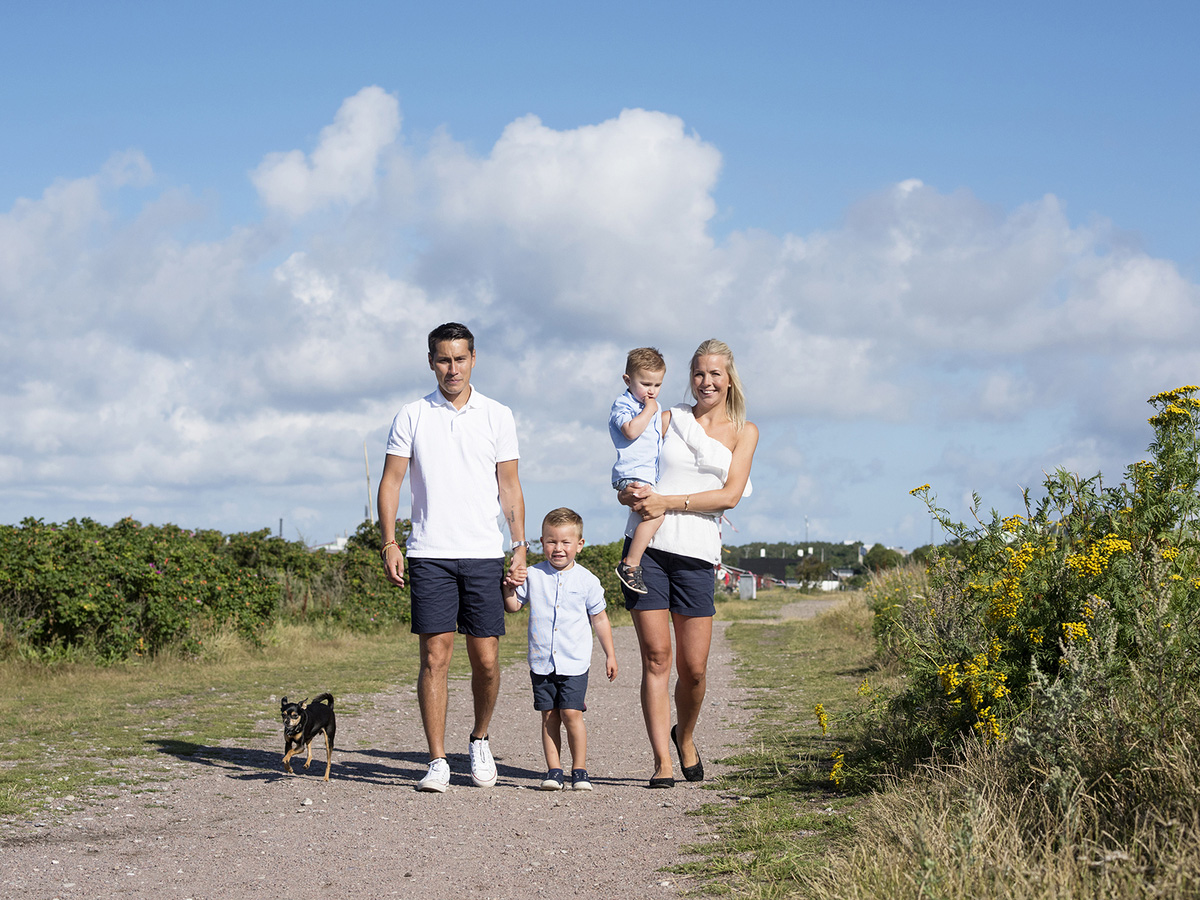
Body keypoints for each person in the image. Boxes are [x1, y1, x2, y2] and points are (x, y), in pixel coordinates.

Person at [377, 322, 528, 793]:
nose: (452, 368)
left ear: (474, 359)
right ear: (430, 362)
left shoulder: (498, 415)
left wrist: (520, 545)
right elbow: (391, 482)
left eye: (460, 359)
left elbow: (510, 486)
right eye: (443, 359)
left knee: (485, 661)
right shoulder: (411, 415)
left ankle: (479, 739)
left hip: (484, 553)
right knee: (434, 658)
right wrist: (389, 541)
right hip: (429, 553)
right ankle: (438, 760)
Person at [619, 339, 757, 788]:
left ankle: (686, 735)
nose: (706, 382)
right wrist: (629, 492)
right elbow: (631, 459)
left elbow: (729, 496)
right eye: (699, 373)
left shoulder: (745, 432)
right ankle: (661, 761)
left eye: (715, 374)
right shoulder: (667, 417)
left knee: (694, 669)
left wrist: (669, 501)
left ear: (729, 378)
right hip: (648, 550)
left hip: (698, 556)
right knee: (657, 658)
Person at [502, 508, 618, 791]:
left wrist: (610, 654)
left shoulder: (587, 580)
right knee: (549, 716)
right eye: (552, 541)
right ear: (542, 541)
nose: (558, 548)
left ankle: (580, 770)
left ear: (579, 544)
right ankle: (554, 770)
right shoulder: (532, 575)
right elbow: (513, 606)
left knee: (571, 714)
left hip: (574, 662)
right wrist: (507, 587)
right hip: (541, 661)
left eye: (566, 542)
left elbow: (599, 619)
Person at [610, 348, 667, 596]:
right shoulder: (623, 404)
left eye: (657, 384)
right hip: (632, 472)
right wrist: (649, 410)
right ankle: (630, 564)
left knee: (652, 514)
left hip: (645, 473)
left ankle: (634, 561)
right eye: (645, 383)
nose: (651, 391)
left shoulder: (651, 405)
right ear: (627, 380)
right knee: (656, 515)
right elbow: (630, 431)